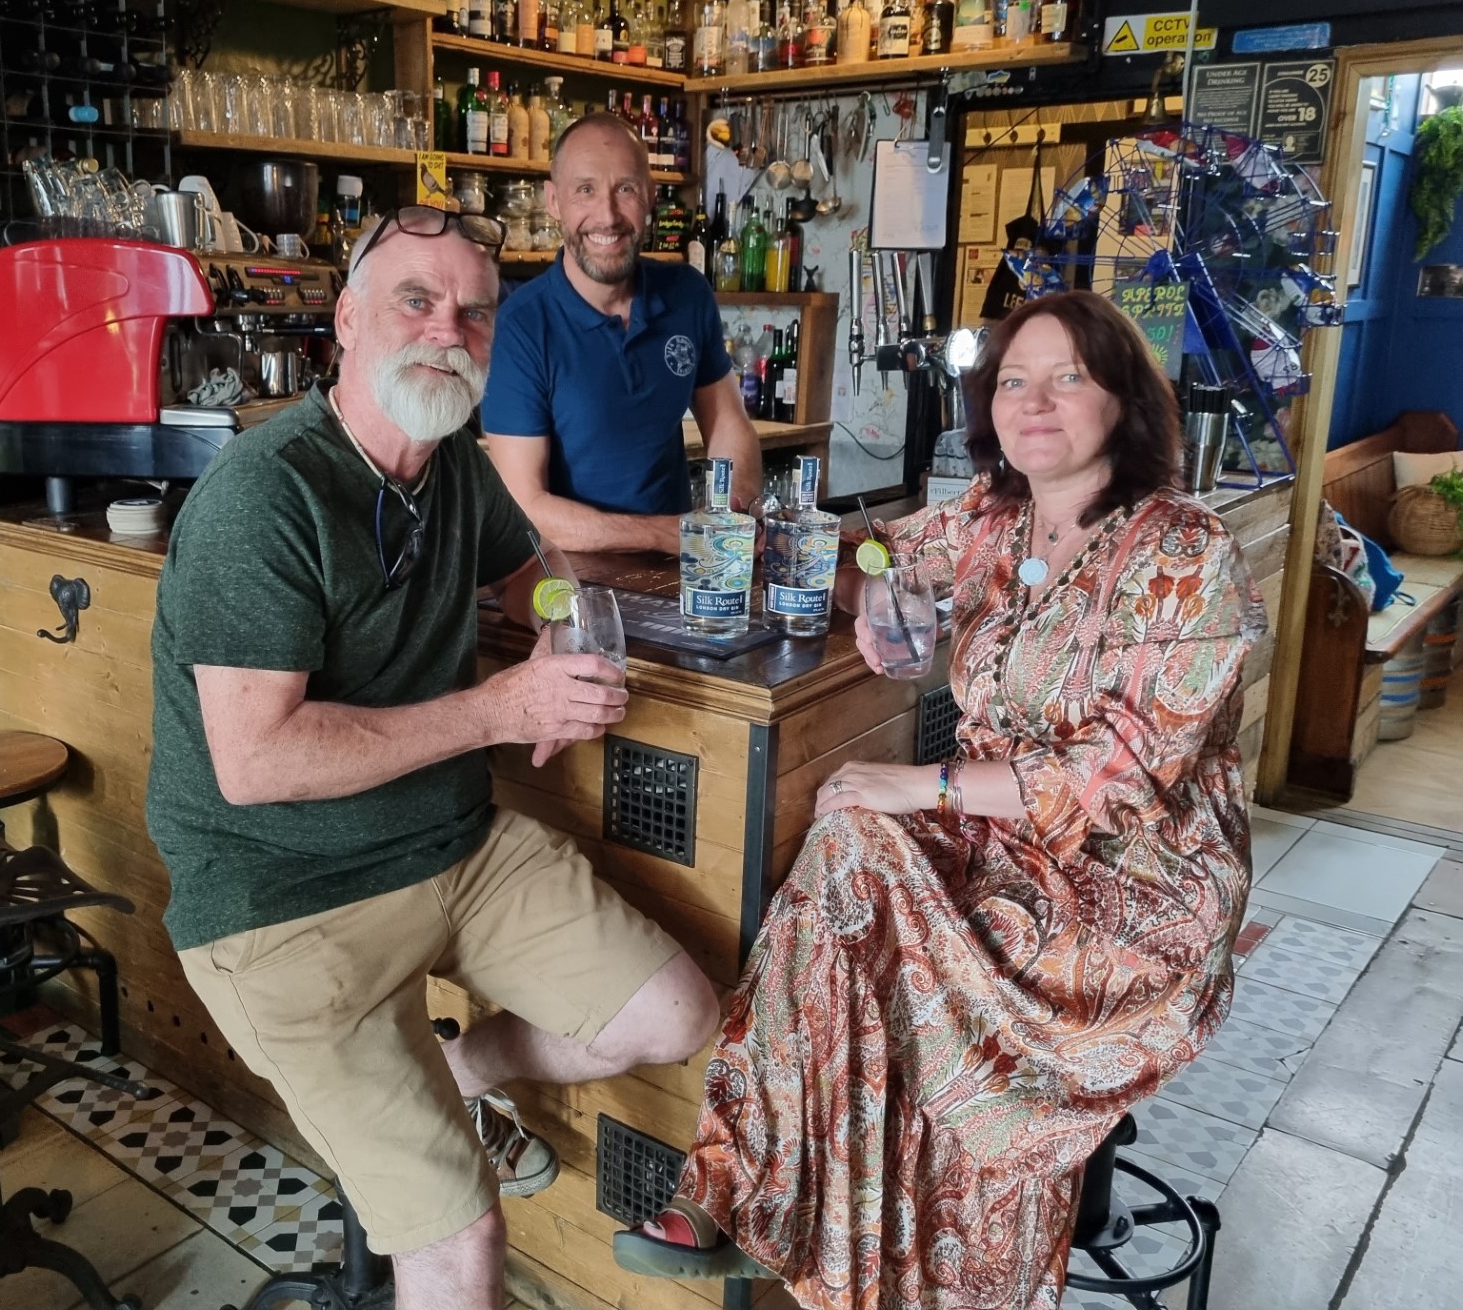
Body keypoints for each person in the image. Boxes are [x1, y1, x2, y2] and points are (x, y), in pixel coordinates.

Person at [613, 290, 1267, 1308]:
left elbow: (1123, 774)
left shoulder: (1184, 552)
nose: (1033, 402)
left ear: (1126, 402)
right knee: (846, 850)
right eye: (1013, 379)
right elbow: (874, 558)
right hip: (1001, 846)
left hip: (1137, 892)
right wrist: (877, 594)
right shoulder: (991, 519)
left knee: (891, 902)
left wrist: (923, 781)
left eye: (1067, 378)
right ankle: (743, 1184)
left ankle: (870, 1244)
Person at [146, 204, 720, 1310]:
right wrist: (498, 708)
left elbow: (539, 567)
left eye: (474, 314)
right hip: (284, 901)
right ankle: (443, 1119)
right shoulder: (264, 495)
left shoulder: (452, 469)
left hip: (451, 846)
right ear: (347, 320)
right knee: (460, 1248)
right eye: (417, 300)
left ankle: (462, 1071)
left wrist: (559, 621)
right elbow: (254, 763)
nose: (447, 330)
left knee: (676, 1017)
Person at [483, 112, 761, 552]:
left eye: (625, 189)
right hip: (571, 577)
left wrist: (735, 513)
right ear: (553, 201)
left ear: (651, 196)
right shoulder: (522, 324)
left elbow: (727, 421)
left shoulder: (687, 292)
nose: (607, 216)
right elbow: (525, 507)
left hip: (682, 569)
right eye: (585, 190)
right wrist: (670, 534)